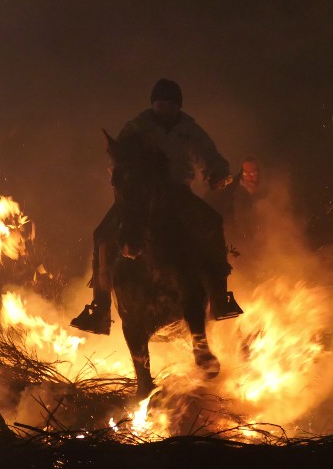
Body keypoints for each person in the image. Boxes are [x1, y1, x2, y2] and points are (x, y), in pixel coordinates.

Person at [70, 78, 243, 335]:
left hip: (178, 192)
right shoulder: (137, 127)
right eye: (160, 102)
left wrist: (218, 174)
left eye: (170, 103)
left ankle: (219, 297)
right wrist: (126, 179)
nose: (165, 108)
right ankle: (100, 307)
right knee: (102, 236)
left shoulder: (189, 129)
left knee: (212, 223)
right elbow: (119, 157)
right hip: (139, 194)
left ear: (178, 107)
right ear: (153, 104)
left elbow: (210, 155)